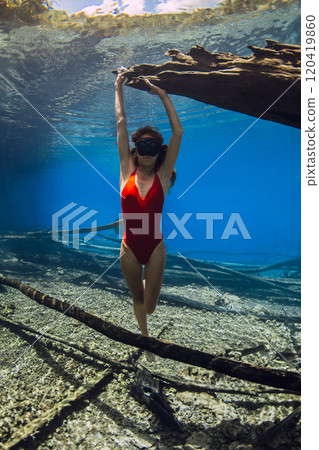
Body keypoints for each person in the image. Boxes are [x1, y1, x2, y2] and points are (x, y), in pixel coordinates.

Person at [115, 72, 183, 358]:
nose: (147, 152)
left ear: (159, 153)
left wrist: (163, 95)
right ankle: (145, 339)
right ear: (135, 150)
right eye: (142, 146)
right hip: (129, 247)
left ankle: (147, 295)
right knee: (137, 299)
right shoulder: (125, 172)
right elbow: (121, 123)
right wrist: (117, 86)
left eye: (153, 148)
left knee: (150, 305)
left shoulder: (164, 176)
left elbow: (178, 133)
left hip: (155, 247)